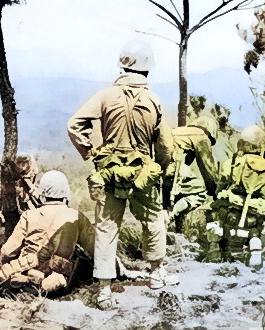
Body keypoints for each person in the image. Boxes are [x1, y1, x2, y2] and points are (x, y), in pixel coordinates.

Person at [67, 39, 177, 309]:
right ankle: (156, 274)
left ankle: (104, 290)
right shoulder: (154, 100)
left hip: (109, 174)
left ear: (122, 65)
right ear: (147, 69)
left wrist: (93, 153)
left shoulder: (105, 96)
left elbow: (74, 125)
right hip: (143, 174)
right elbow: (165, 146)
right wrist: (159, 168)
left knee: (106, 229)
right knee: (153, 221)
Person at [0, 170, 94, 302]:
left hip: (25, 268)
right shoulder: (76, 216)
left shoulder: (30, 215)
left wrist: (7, 264)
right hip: (57, 275)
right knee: (61, 278)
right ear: (66, 193)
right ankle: (41, 286)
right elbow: (94, 249)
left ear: (42, 192)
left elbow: (8, 250)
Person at [204, 125, 265, 269]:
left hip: (229, 218)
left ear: (241, 144)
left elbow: (219, 191)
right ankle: (257, 246)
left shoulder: (229, 164)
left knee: (212, 210)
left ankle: (214, 248)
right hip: (254, 221)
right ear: (263, 146)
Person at [164, 115, 219, 232]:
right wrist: (215, 191)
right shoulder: (201, 136)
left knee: (172, 197)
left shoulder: (179, 131)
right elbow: (208, 169)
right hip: (174, 166)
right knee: (200, 191)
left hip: (159, 167)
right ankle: (170, 216)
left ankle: (174, 231)